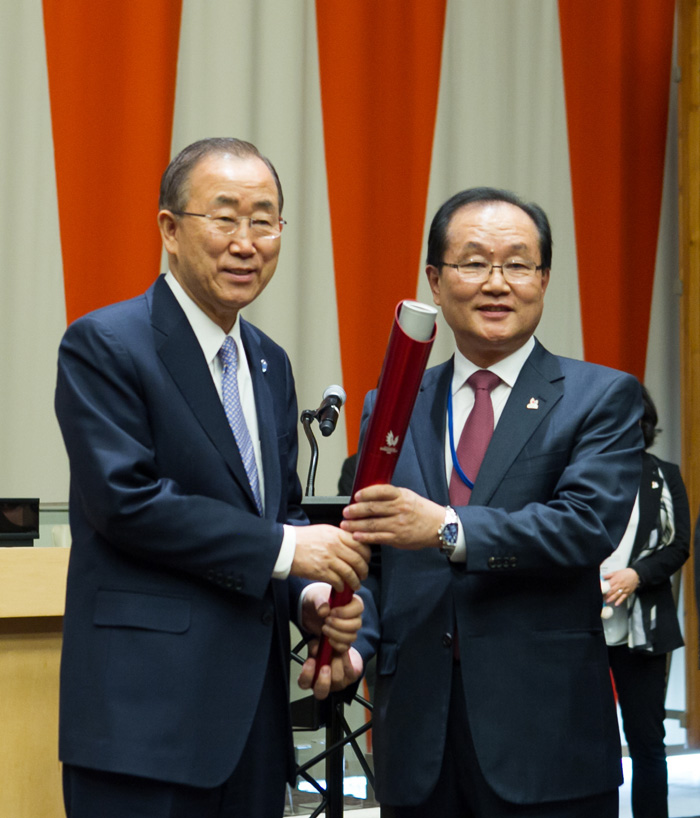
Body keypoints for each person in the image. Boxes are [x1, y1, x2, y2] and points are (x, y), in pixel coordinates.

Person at [54, 138, 369, 818]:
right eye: (224, 218)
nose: (247, 241)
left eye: (265, 219)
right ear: (170, 230)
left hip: (252, 727)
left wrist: (307, 597)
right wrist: (290, 553)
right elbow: (126, 502)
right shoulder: (105, 343)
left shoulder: (268, 363)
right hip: (142, 727)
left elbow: (277, 510)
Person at [342, 187, 644, 817]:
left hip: (545, 738)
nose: (496, 283)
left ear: (545, 278)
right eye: (474, 262)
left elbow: (585, 526)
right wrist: (352, 637)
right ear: (435, 277)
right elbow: (373, 557)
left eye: (517, 264)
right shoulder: (391, 403)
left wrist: (448, 529)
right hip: (416, 739)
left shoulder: (601, 397)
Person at [601, 386, 690, 818]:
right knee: (586, 742)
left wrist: (637, 575)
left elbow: (680, 547)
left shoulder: (662, 473)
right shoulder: (580, 471)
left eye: (634, 420)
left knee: (646, 743)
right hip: (580, 626)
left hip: (645, 627)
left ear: (645, 424)